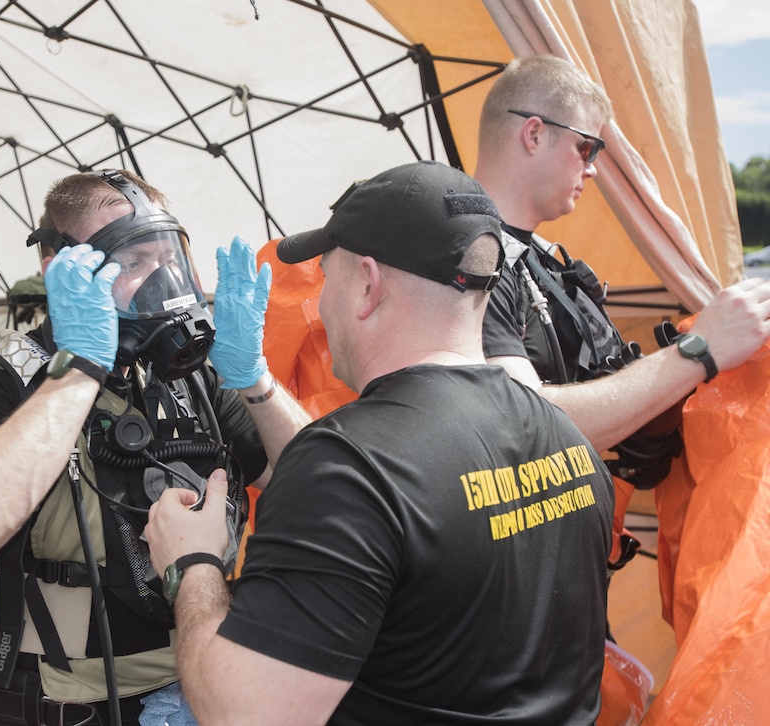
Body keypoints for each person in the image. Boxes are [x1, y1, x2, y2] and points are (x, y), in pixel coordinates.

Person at [144, 161, 616, 724]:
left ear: (367, 284)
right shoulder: (568, 440)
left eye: (326, 275)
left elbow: (242, 713)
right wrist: (257, 382)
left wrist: (192, 565)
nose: (320, 304)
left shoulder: (347, 466)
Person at [0, 168, 310, 726]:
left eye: (167, 257)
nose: (161, 279)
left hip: (202, 681)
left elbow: (316, 482)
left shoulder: (189, 379)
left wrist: (256, 381)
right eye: (131, 262)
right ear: (58, 269)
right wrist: (80, 370)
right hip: (55, 704)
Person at [474, 53, 770, 484]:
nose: (593, 168)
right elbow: (524, 425)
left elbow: (630, 437)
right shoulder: (469, 257)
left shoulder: (548, 264)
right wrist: (699, 351)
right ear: (534, 133)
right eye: (586, 146)